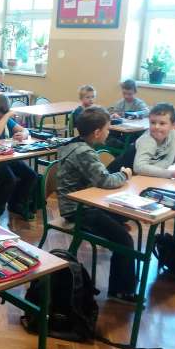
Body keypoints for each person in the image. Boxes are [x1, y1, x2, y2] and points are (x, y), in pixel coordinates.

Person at [57, 106, 137, 303]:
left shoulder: (75, 144)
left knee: (123, 216)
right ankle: (121, 291)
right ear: (97, 132)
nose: (109, 132)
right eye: (108, 129)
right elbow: (105, 181)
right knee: (125, 240)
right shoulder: (84, 152)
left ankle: (123, 283)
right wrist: (124, 174)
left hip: (84, 204)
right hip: (78, 210)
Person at [0, 94, 38, 222]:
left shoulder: (6, 120)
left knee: (31, 175)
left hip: (5, 157)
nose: (0, 120)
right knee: (9, 179)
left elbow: (25, 130)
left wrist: (24, 134)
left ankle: (17, 204)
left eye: (2, 117)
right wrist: (6, 117)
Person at [131, 103, 175, 179]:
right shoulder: (147, 140)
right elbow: (138, 168)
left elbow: (168, 160)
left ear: (173, 126)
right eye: (153, 122)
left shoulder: (172, 133)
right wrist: (171, 173)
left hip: (143, 177)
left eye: (162, 123)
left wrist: (154, 171)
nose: (157, 127)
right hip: (124, 177)